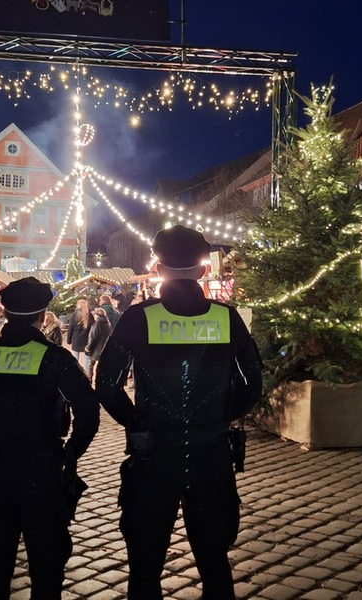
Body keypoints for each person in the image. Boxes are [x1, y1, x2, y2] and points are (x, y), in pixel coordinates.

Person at [94, 225, 263, 600]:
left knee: (145, 567)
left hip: (153, 458)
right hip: (211, 456)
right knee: (215, 564)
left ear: (157, 267)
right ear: (203, 271)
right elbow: (252, 385)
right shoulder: (227, 318)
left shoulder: (138, 318)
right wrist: (220, 419)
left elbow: (106, 384)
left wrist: (136, 421)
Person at [0, 277, 100, 600]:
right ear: (42, 317)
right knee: (46, 574)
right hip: (41, 477)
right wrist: (70, 453)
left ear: (6, 313)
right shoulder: (53, 358)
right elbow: (89, 412)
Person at [66, 298, 93, 376]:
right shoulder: (89, 315)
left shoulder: (74, 315)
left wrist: (69, 340)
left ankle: (75, 374)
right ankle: (85, 376)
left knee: (75, 359)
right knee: (85, 361)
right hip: (86, 340)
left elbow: (70, 328)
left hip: (76, 340)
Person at [84, 307, 111, 381]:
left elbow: (92, 338)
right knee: (100, 367)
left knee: (90, 365)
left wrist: (88, 348)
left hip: (95, 349)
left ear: (98, 315)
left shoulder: (96, 325)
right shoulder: (107, 323)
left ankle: (89, 380)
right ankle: (99, 380)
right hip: (104, 348)